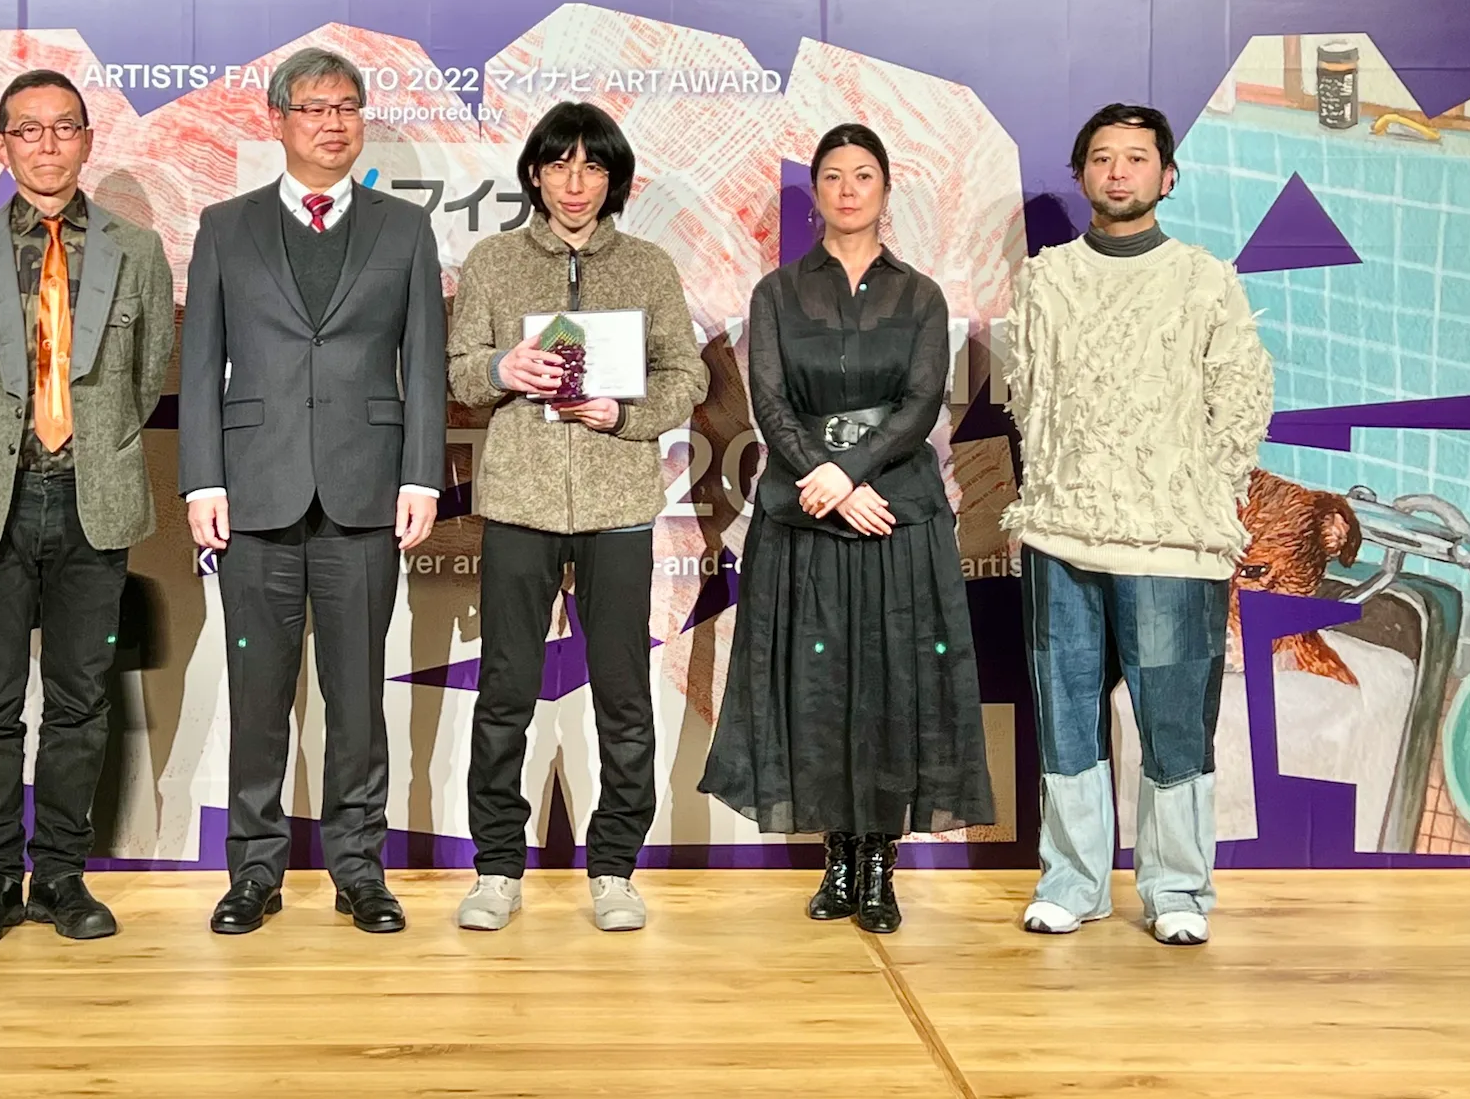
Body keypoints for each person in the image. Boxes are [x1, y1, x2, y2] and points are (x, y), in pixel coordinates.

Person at [701, 124, 994, 935]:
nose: (848, 190)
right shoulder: (778, 292)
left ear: (886, 191)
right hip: (805, 512)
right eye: (833, 176)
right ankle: (838, 858)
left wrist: (853, 473)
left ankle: (880, 864)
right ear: (817, 194)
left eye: (864, 176)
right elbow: (770, 403)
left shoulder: (920, 295)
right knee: (820, 685)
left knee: (894, 684)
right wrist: (825, 481)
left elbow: (922, 402)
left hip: (896, 514)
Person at [179, 46, 445, 936]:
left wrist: (421, 473)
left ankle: (359, 869)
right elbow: (201, 362)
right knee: (258, 694)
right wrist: (201, 478)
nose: (334, 123)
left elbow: (424, 364)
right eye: (315, 108)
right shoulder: (226, 226)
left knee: (358, 697)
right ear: (278, 121)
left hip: (367, 495)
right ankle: (252, 871)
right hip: (254, 493)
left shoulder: (405, 230)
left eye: (347, 107)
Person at [1001, 102, 1273, 947]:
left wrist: (1194, 490)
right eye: (1102, 158)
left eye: (1136, 157)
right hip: (1061, 530)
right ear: (1081, 173)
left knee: (1174, 718)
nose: (1118, 171)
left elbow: (1241, 398)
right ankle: (1073, 880)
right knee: (1065, 712)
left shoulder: (1204, 279)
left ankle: (1176, 886)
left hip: (1173, 540)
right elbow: (1026, 393)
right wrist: (1059, 481)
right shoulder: (1046, 278)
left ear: (1167, 176)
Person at [0, 68, 175, 946]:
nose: (48, 144)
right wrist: (4, 449)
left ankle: (61, 876)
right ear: (2, 146)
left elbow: (145, 379)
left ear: (88, 141)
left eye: (64, 127)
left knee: (79, 700)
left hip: (92, 500)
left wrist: (86, 447)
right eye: (28, 130)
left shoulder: (137, 251)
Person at [445, 102, 707, 933]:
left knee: (624, 697)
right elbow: (460, 373)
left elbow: (686, 376)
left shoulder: (648, 267)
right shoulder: (492, 263)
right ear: (535, 173)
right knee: (505, 693)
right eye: (560, 164)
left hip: (618, 506)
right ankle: (496, 868)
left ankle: (616, 869)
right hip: (520, 505)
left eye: (593, 166)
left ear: (614, 180)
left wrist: (624, 414)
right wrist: (503, 367)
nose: (575, 182)